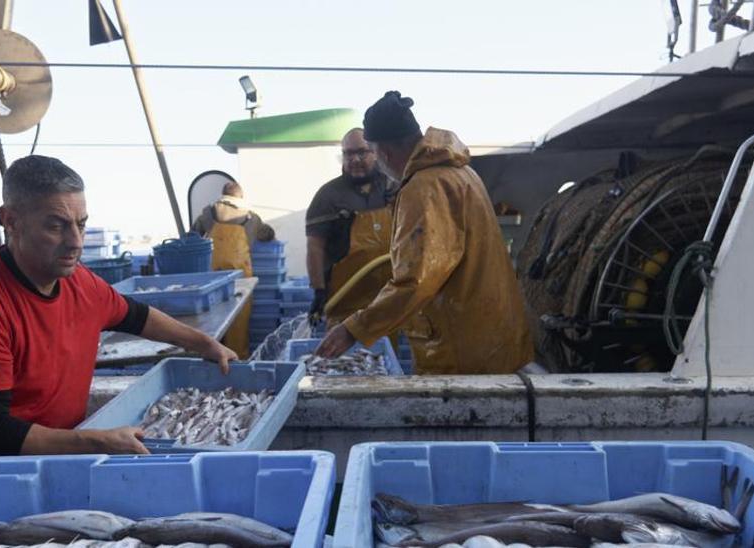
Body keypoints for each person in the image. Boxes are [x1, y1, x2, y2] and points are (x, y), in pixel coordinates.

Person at [0, 155, 236, 489]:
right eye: (56, 225)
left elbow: (136, 316)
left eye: (81, 224)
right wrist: (99, 442)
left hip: (39, 468)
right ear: (11, 221)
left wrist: (204, 344)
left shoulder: (80, 283)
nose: (76, 241)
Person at [314, 92, 533, 374]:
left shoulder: (423, 187)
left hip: (463, 350)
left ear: (384, 152)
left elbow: (417, 280)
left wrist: (353, 329)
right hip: (494, 336)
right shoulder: (461, 171)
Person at [305, 128, 396, 325]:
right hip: (345, 299)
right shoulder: (327, 196)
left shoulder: (393, 187)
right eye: (348, 153)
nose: (355, 159)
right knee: (343, 353)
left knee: (386, 351)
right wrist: (319, 291)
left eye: (362, 152)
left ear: (375, 152)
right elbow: (315, 247)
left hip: (387, 299)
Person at [192, 181, 274, 356]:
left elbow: (193, 236)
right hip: (241, 277)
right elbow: (267, 234)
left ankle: (211, 355)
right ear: (241, 196)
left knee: (211, 320)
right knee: (238, 320)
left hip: (212, 277)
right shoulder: (252, 217)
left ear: (222, 195)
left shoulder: (208, 213)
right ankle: (237, 358)